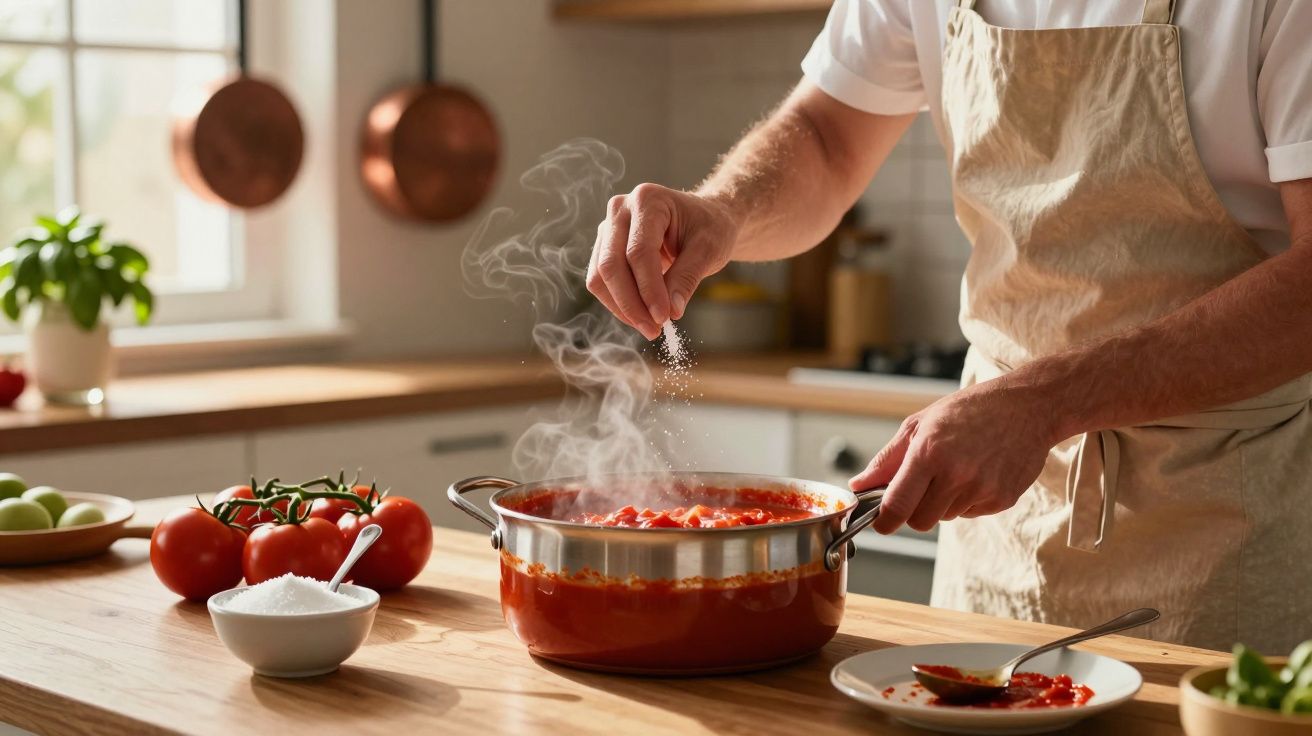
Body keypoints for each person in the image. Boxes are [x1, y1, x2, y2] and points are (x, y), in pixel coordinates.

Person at [586, 0, 1312, 653]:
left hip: (1222, 517)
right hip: (997, 517)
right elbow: (826, 136)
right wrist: (725, 209)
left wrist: (1045, 401)